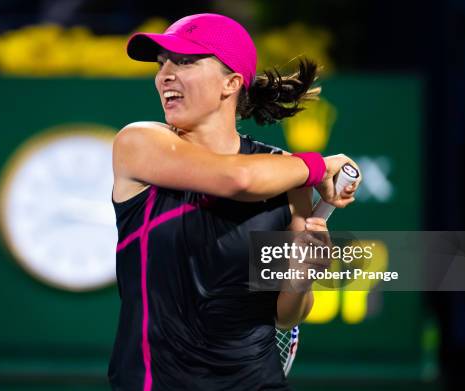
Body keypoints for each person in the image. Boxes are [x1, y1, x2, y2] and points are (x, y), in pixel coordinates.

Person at [110, 13, 360, 390]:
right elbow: (238, 179)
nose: (165, 75)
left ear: (231, 83)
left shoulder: (286, 176)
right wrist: (319, 166)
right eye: (163, 64)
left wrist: (301, 276)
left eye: (185, 61)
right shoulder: (138, 143)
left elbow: (286, 316)